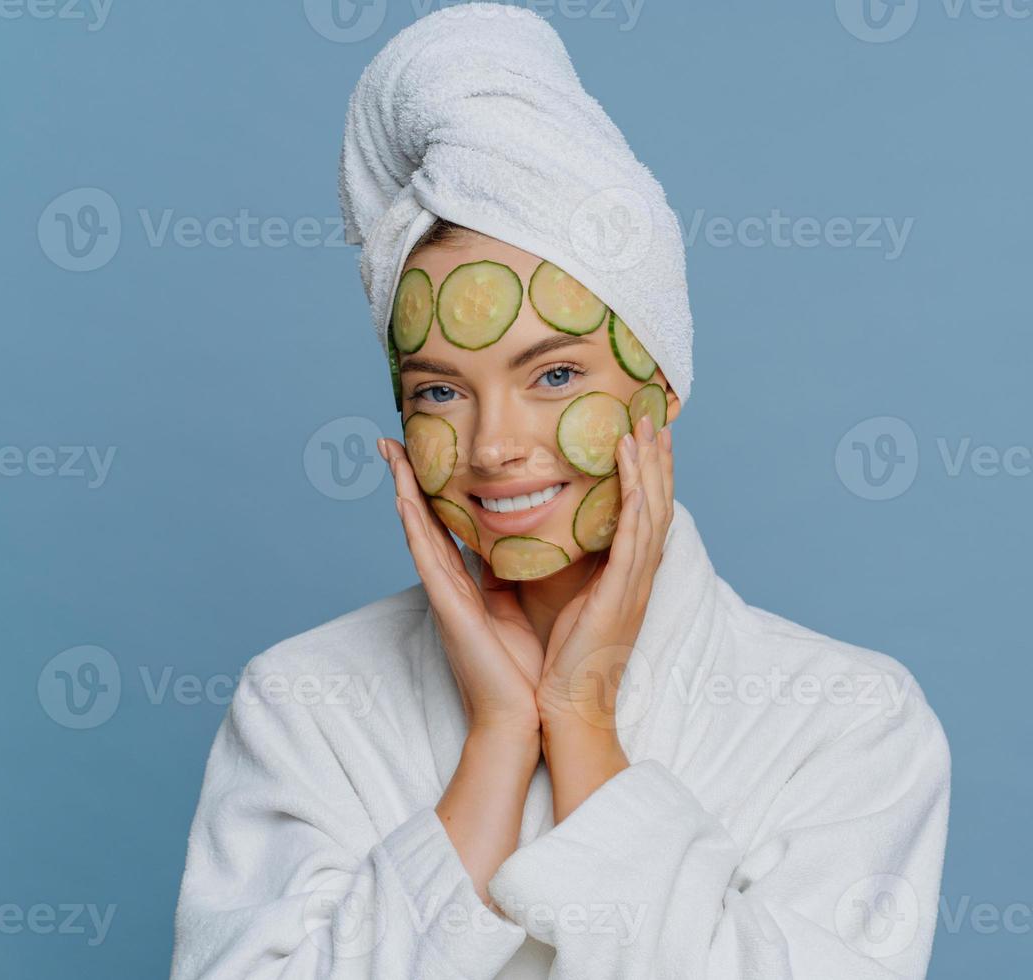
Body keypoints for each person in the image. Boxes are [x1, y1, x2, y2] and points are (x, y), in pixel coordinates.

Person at [169, 5, 949, 979]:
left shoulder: (849, 721)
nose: (494, 446)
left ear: (661, 388)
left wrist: (579, 720)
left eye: (555, 375)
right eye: (441, 390)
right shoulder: (302, 700)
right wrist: (497, 743)